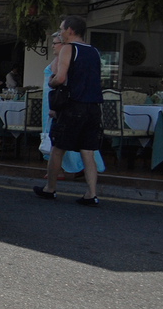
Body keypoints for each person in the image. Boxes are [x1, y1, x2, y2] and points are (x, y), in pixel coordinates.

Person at [34, 15, 103, 206]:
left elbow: (61, 78)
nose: (60, 32)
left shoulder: (68, 49)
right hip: (93, 107)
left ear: (70, 30)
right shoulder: (94, 51)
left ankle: (50, 188)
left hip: (73, 105)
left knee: (57, 148)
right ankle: (91, 193)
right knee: (87, 151)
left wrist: (52, 80)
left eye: (61, 28)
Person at [40, 32, 105, 179]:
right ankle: (77, 171)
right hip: (57, 102)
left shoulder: (60, 60)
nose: (53, 46)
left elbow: (58, 81)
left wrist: (52, 107)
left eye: (55, 43)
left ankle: (57, 174)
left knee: (59, 140)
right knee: (78, 143)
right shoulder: (85, 53)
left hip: (56, 102)